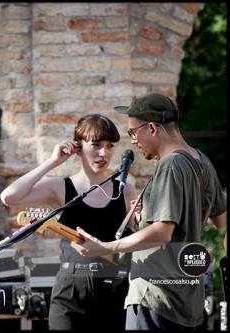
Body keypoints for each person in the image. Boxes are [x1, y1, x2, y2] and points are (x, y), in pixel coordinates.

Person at [71, 93, 227, 330]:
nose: (133, 141)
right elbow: (222, 223)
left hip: (155, 297)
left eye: (134, 132)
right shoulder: (202, 160)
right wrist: (146, 216)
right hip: (187, 303)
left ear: (153, 128)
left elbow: (162, 232)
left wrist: (105, 247)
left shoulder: (170, 164)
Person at [0, 114, 138, 330]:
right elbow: (9, 197)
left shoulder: (125, 188)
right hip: (71, 290)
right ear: (78, 147)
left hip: (114, 290)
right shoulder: (61, 187)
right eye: (96, 145)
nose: (104, 153)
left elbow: (140, 236)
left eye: (110, 146)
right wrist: (53, 161)